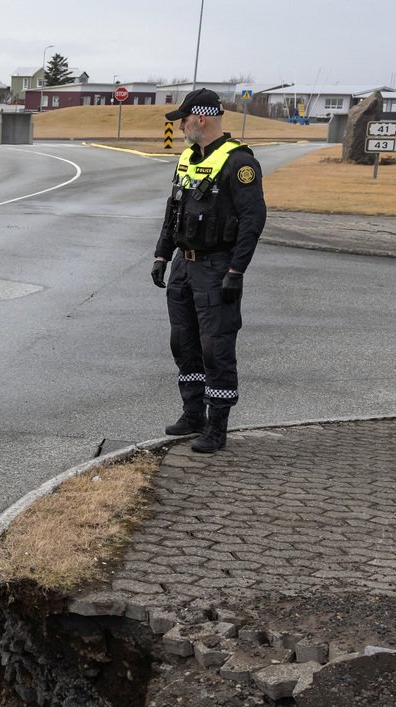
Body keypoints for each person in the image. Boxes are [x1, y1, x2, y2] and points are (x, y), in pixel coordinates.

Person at [151, 88, 267, 454]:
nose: (181, 127)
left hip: (217, 266)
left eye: (183, 121)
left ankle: (217, 428)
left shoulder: (239, 162)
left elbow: (253, 220)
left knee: (215, 348)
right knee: (183, 343)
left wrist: (237, 270)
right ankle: (192, 414)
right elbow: (174, 210)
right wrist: (161, 255)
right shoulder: (188, 158)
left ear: (200, 118)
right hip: (184, 265)